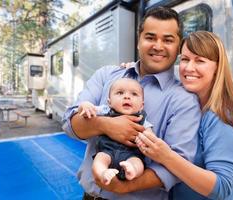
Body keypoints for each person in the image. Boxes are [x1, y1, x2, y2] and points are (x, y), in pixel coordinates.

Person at [62, 6, 201, 200]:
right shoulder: (106, 75)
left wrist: (122, 187)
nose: (158, 46)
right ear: (139, 41)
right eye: (150, 37)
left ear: (178, 47)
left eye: (168, 40)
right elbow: (70, 123)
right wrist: (106, 125)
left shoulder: (184, 100)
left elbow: (179, 165)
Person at [135, 31, 233, 200]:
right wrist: (133, 68)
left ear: (217, 68)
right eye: (185, 59)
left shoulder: (222, 116)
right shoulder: (191, 105)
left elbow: (221, 187)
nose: (188, 68)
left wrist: (166, 156)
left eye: (200, 60)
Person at [78, 78, 152, 185]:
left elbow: (150, 137)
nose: (127, 97)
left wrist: (146, 140)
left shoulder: (142, 120)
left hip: (131, 155)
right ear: (109, 102)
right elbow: (87, 111)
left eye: (134, 94)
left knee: (138, 163)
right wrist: (84, 106)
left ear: (141, 105)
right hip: (107, 152)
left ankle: (132, 170)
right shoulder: (105, 110)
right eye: (120, 93)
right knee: (99, 160)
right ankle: (103, 173)